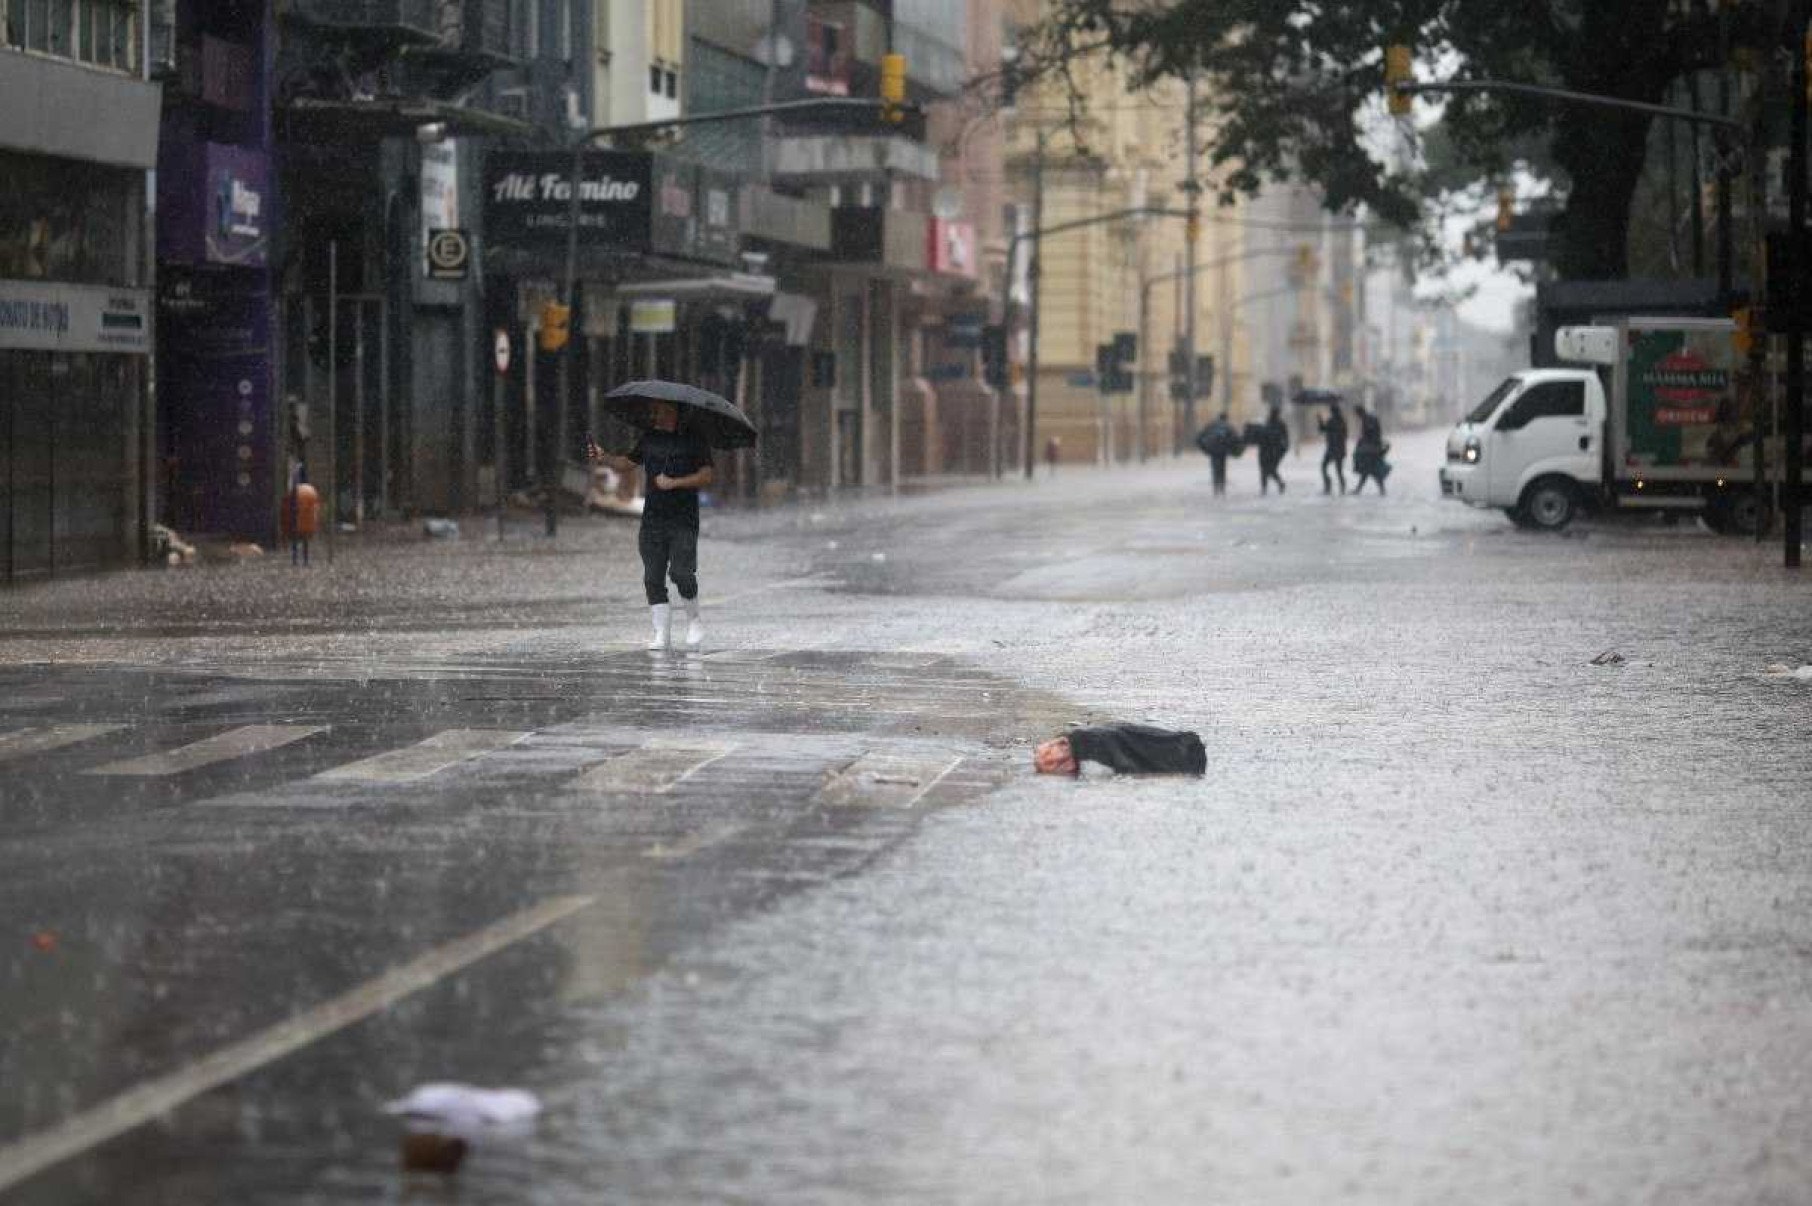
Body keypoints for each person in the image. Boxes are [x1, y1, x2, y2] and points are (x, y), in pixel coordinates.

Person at [588, 401, 715, 651]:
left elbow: (707, 475)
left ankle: (694, 621)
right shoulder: (650, 438)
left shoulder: (694, 440)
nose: (655, 414)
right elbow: (627, 462)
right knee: (652, 577)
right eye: (655, 410)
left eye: (661, 410)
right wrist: (603, 456)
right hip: (653, 520)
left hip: (683, 520)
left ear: (674, 412)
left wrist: (674, 483)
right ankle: (661, 634)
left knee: (681, 573)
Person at [1195, 412, 1239, 497]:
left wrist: (1205, 448)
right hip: (1223, 451)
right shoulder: (1228, 426)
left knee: (1215, 468)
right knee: (1222, 469)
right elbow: (1235, 438)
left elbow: (1200, 436)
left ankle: (1215, 488)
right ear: (1226, 418)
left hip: (1213, 450)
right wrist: (1232, 449)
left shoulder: (1211, 425)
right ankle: (1222, 488)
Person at [1351, 403, 1387, 496]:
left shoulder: (1368, 419)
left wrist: (1362, 441)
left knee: (1371, 470)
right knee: (1369, 470)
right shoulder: (1368, 418)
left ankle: (1381, 490)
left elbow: (1371, 434)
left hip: (1371, 449)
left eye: (1357, 414)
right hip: (1371, 448)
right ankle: (1380, 490)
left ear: (1360, 412)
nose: (1357, 417)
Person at [1257, 404, 1289, 495]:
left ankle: (1275, 485)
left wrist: (1283, 450)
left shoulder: (1279, 424)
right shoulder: (1268, 423)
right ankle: (1265, 488)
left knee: (1269, 470)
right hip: (1267, 450)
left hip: (1272, 451)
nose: (1272, 414)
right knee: (1266, 470)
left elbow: (1285, 439)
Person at [1317, 402, 1348, 495]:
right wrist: (1320, 420)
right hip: (1333, 449)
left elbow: (1324, 429)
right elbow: (1323, 429)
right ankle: (1330, 484)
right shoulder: (1335, 421)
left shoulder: (1339, 421)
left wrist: (1321, 422)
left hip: (1336, 449)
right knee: (1326, 467)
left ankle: (1337, 486)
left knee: (1336, 469)